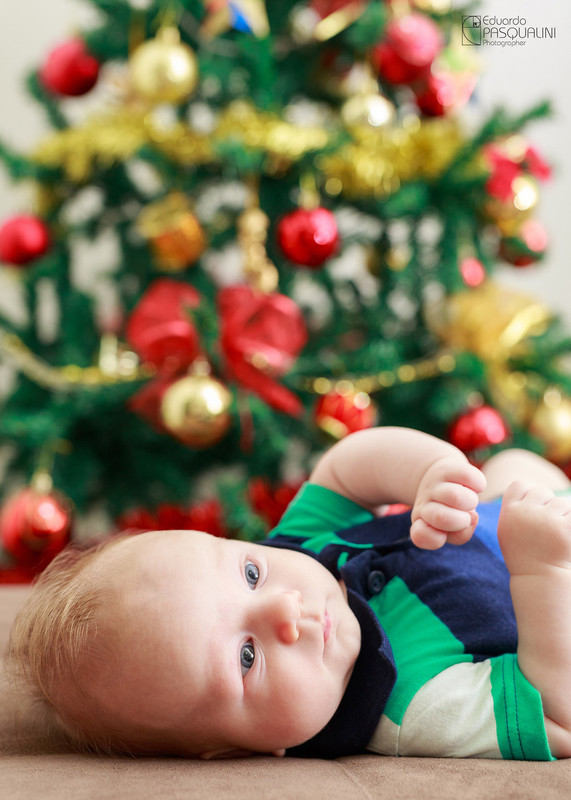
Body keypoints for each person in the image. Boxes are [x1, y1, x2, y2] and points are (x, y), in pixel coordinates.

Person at [6, 426, 571, 761]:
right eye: (246, 657)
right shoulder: (411, 711)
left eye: (249, 574)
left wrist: (431, 472)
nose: (285, 609)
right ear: (235, 750)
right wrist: (542, 570)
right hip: (553, 598)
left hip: (511, 517)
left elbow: (345, 467)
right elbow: (555, 716)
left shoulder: (299, 545)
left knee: (513, 464)